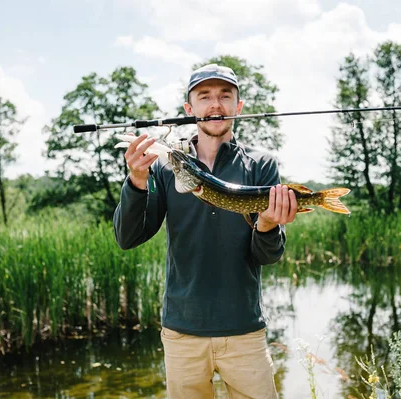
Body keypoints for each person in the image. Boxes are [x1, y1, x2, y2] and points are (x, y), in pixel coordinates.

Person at [113, 63, 298, 398]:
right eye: (205, 96)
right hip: (182, 332)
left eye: (225, 96)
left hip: (244, 329)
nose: (216, 104)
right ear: (190, 109)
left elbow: (267, 255)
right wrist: (136, 182)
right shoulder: (168, 165)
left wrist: (268, 224)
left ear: (238, 107)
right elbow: (127, 238)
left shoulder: (261, 164)